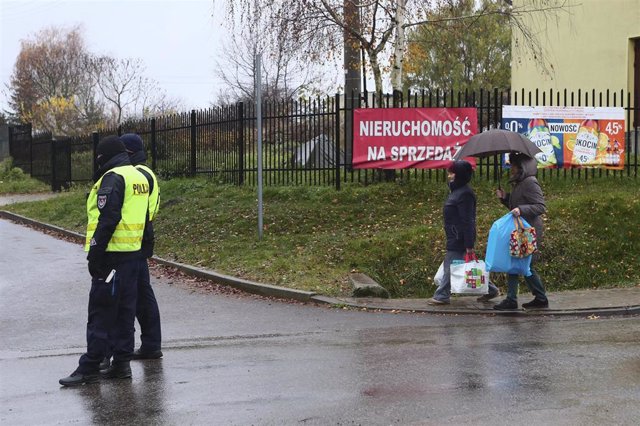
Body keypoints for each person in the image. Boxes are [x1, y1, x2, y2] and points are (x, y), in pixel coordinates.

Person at [59, 135, 149, 386]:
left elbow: (108, 218)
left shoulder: (113, 178)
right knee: (125, 312)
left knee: (100, 312)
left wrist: (95, 253)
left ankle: (89, 367)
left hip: (111, 257)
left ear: (104, 156)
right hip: (133, 255)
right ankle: (121, 365)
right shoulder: (139, 177)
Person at [100, 133, 163, 371]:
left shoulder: (137, 174)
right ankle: (149, 345)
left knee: (129, 299)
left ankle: (127, 351)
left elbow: (140, 209)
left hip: (131, 243)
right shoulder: (143, 173)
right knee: (140, 296)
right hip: (138, 241)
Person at [428, 160, 500, 305]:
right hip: (455, 235)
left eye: (452, 173)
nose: (449, 176)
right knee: (465, 264)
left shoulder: (465, 194)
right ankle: (491, 290)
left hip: (459, 236)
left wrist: (468, 243)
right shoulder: (457, 191)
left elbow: (468, 220)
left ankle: (442, 295)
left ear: (459, 175)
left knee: (451, 263)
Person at [493, 152, 549, 311]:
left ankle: (538, 298)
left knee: (524, 266)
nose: (511, 169)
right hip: (520, 230)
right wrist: (505, 197)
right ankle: (520, 298)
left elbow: (540, 207)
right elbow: (516, 206)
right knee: (516, 264)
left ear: (521, 167)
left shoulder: (530, 182)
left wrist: (521, 209)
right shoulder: (518, 183)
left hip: (529, 230)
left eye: (513, 166)